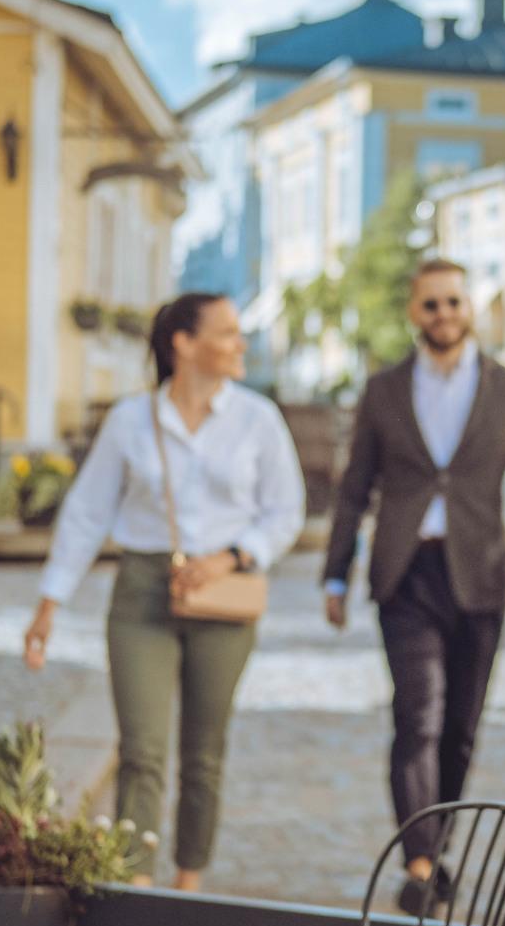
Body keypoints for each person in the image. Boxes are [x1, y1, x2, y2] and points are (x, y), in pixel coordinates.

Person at [22, 293, 304, 890]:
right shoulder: (130, 420)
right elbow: (86, 513)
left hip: (226, 593)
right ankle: (137, 886)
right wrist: (50, 604)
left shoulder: (258, 419)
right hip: (144, 592)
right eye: (227, 332)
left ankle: (188, 883)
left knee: (204, 753)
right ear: (183, 342)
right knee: (141, 748)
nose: (239, 344)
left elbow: (285, 513)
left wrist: (230, 557)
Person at [322, 259, 505, 914]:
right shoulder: (384, 389)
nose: (443, 314)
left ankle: (437, 843)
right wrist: (336, 571)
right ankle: (421, 861)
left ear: (470, 308)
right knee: (417, 715)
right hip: (405, 573)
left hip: (480, 575)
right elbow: (353, 489)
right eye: (430, 304)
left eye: (454, 301)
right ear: (413, 312)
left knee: (460, 726)